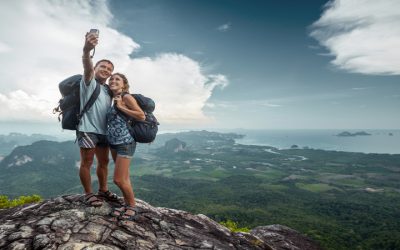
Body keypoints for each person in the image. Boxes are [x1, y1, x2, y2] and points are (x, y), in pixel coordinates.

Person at [78, 31, 120, 206]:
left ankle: (103, 190)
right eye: (103, 66)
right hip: (87, 128)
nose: (106, 70)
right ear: (95, 68)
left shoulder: (107, 90)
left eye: (109, 69)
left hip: (104, 131)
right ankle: (88, 194)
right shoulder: (89, 82)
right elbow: (87, 65)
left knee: (104, 162)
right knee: (87, 162)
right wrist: (87, 50)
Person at [106, 73, 145, 220]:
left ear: (124, 84)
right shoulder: (113, 99)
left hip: (125, 143)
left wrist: (121, 106)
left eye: (117, 79)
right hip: (114, 143)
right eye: (111, 79)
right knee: (125, 177)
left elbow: (141, 116)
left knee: (118, 179)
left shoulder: (126, 97)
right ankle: (127, 203)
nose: (113, 81)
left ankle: (132, 206)